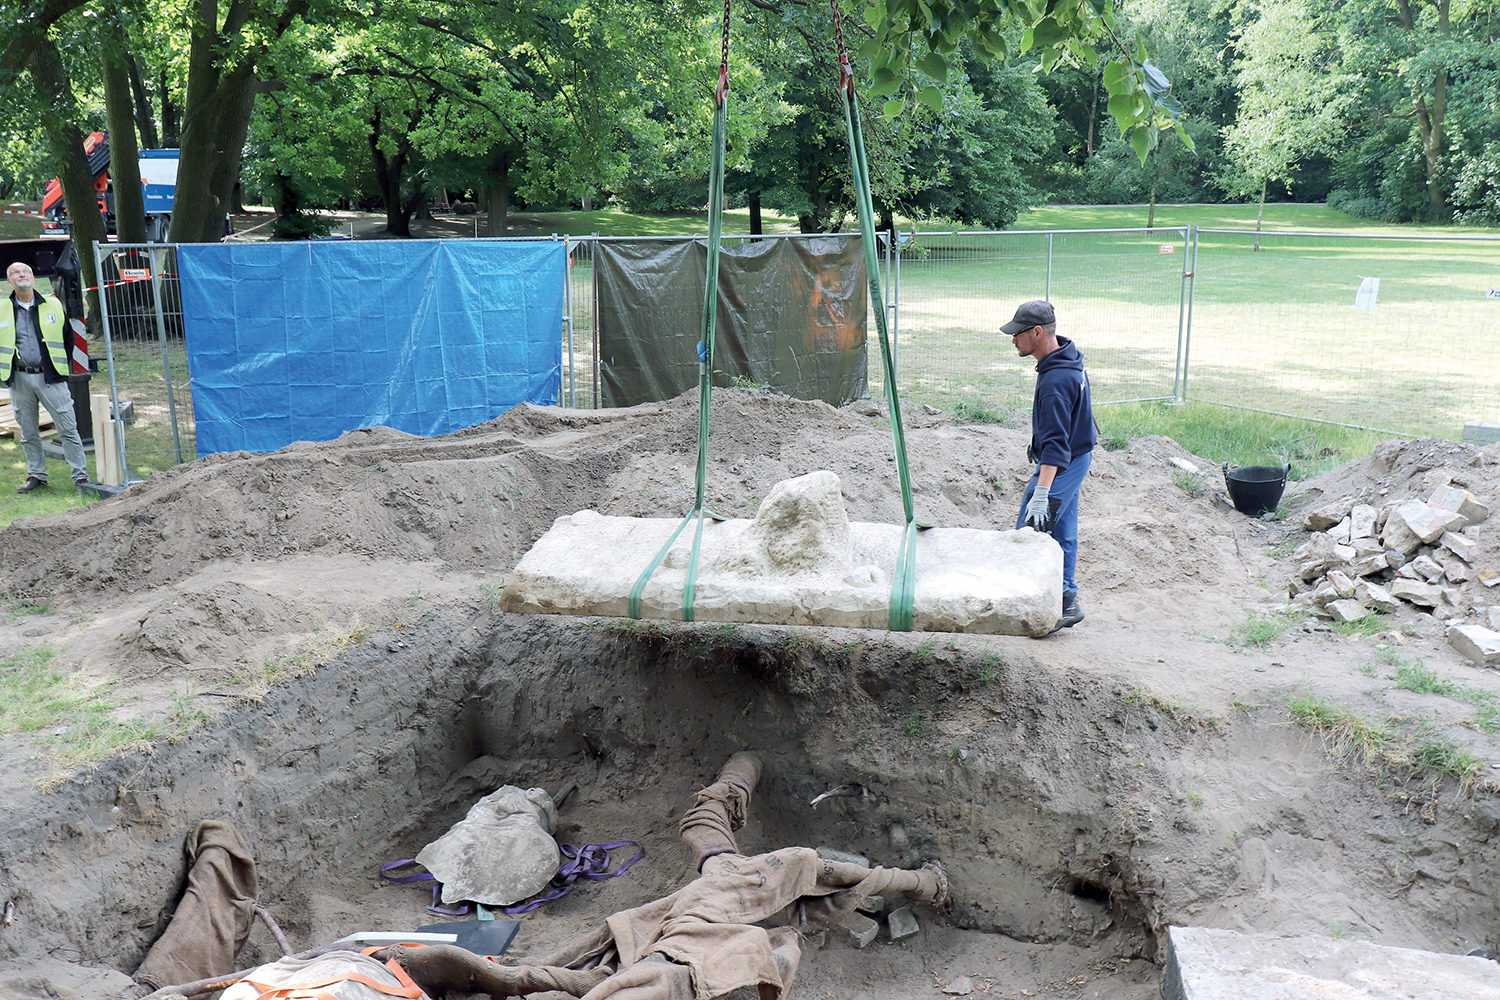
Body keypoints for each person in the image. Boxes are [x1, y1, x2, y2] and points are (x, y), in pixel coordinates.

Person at [1002, 299, 1096, 632]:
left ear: (1038, 332)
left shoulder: (1056, 382)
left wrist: (1041, 492)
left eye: (1018, 333)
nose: (1013, 339)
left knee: (1031, 529)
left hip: (1065, 462)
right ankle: (1066, 600)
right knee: (1064, 531)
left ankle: (1029, 602)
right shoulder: (1067, 357)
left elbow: (1056, 446)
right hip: (1077, 455)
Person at [3, 262, 89, 492]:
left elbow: (68, 339)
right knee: (28, 432)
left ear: (32, 277)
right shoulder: (2, 309)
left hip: (51, 378)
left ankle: (80, 476)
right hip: (20, 379)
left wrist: (57, 366)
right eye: (15, 273)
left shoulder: (52, 304)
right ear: (9, 281)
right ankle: (36, 475)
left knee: (68, 428)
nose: (21, 275)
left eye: (25, 272)